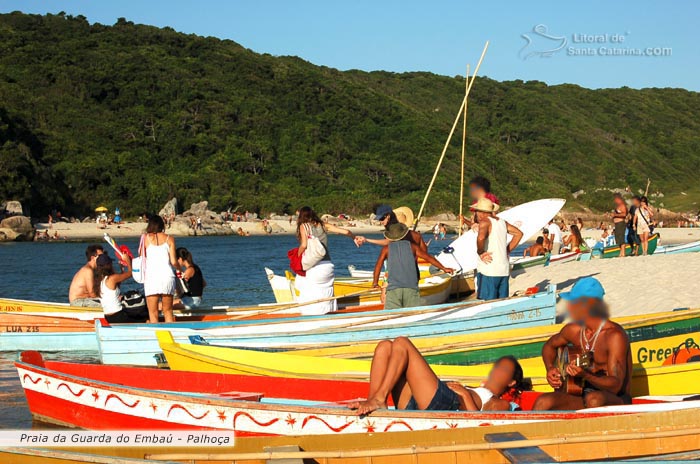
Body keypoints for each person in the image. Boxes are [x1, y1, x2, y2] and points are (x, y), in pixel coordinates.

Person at [348, 337, 526, 415]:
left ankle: (378, 399)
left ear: (512, 382)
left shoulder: (502, 403)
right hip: (428, 401)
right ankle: (375, 402)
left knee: (402, 343)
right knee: (385, 347)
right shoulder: (481, 389)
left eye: (504, 369)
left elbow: (479, 425)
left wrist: (464, 394)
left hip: (446, 405)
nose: (497, 369)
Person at [532, 277, 632, 410]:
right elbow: (549, 346)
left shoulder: (614, 336)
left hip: (614, 398)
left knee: (594, 400)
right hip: (580, 393)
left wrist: (586, 375)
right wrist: (550, 368)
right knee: (543, 402)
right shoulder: (573, 330)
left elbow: (616, 385)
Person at [372, 223, 454, 309]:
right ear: (404, 234)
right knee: (412, 315)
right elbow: (428, 258)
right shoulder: (413, 247)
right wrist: (444, 268)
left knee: (391, 316)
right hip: (411, 288)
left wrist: (375, 282)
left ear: (390, 237)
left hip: (393, 289)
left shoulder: (386, 249)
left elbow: (378, 265)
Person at [295, 206, 356, 315]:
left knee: (309, 294)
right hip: (328, 267)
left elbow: (304, 245)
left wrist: (297, 256)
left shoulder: (304, 226)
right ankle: (329, 314)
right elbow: (346, 231)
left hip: (315, 267)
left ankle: (312, 317)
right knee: (327, 294)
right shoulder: (323, 225)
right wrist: (354, 237)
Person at [475, 198, 523, 300]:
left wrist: (481, 252)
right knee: (501, 301)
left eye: (476, 211)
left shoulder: (485, 222)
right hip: (503, 269)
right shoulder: (502, 222)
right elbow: (519, 234)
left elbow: (481, 238)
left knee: (487, 302)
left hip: (489, 269)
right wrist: (507, 250)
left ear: (480, 212)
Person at [93, 253, 148, 323]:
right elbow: (131, 273)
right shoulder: (112, 278)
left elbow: (116, 285)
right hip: (118, 315)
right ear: (109, 265)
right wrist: (128, 261)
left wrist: (121, 269)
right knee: (145, 318)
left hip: (107, 317)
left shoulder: (99, 281)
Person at [142, 215, 178, 323]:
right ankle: (171, 334)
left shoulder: (145, 238)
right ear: (162, 225)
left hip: (151, 277)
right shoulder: (169, 238)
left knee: (153, 313)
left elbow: (142, 257)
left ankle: (156, 336)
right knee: (168, 311)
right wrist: (181, 269)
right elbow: (174, 261)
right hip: (167, 276)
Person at [355, 205, 428, 252]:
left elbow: (388, 242)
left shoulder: (393, 235)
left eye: (382, 219)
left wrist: (366, 240)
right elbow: (424, 252)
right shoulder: (416, 235)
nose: (380, 222)